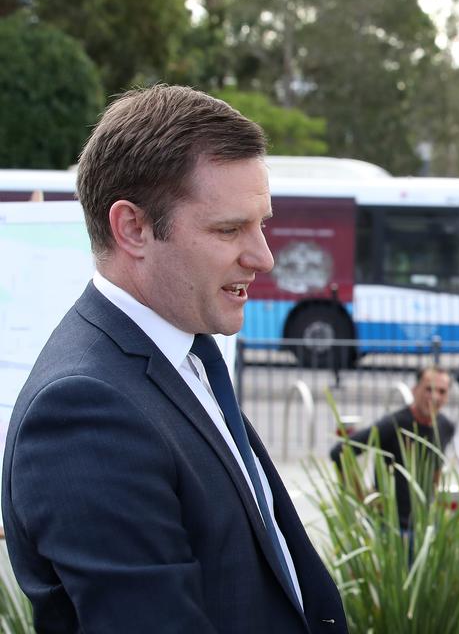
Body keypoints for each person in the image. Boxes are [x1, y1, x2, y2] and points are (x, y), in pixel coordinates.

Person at [2, 85, 348, 633]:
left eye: (262, 223)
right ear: (133, 228)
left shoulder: (185, 346)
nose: (264, 256)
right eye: (228, 229)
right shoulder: (83, 412)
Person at [329, 365, 456, 529]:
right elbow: (340, 452)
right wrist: (362, 497)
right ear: (414, 390)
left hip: (424, 525)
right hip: (390, 526)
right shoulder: (393, 424)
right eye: (428, 389)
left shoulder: (446, 426)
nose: (434, 396)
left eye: (442, 391)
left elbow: (437, 469)